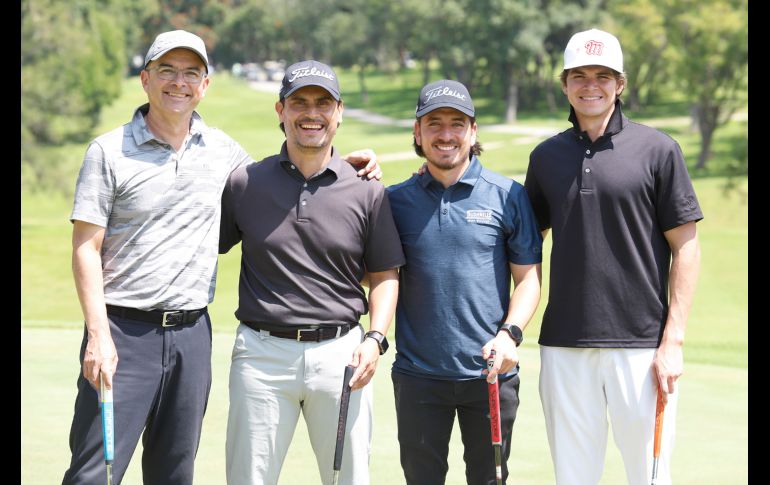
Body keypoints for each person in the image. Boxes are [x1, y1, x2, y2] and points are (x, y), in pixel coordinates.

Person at [63, 31, 381, 484]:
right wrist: (97, 334)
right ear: (145, 79)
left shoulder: (225, 154)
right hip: (122, 332)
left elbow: (284, 181)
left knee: (174, 471)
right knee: (94, 471)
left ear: (205, 84)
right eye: (167, 71)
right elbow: (85, 247)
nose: (179, 83)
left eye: (191, 73)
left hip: (192, 334)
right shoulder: (108, 151)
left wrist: (342, 165)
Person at [524, 28, 703, 485]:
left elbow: (686, 246)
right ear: (564, 84)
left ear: (620, 84)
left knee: (649, 476)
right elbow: (524, 243)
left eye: (603, 75)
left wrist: (674, 341)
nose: (591, 85)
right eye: (579, 75)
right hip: (564, 345)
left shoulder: (658, 149)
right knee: (573, 477)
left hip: (642, 347)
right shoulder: (546, 157)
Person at [219, 59, 405, 485]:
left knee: (349, 478)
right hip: (261, 357)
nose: (311, 112)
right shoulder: (246, 182)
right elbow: (206, 246)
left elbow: (384, 275)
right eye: (299, 102)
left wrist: (375, 338)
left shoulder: (366, 188)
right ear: (280, 110)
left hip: (342, 354)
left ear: (339, 113)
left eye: (323, 103)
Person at [387, 80, 543, 485]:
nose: (445, 134)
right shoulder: (393, 201)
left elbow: (528, 279)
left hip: (491, 376)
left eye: (457, 123)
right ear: (417, 133)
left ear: (473, 132)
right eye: (433, 123)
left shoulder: (508, 195)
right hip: (419, 376)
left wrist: (510, 335)